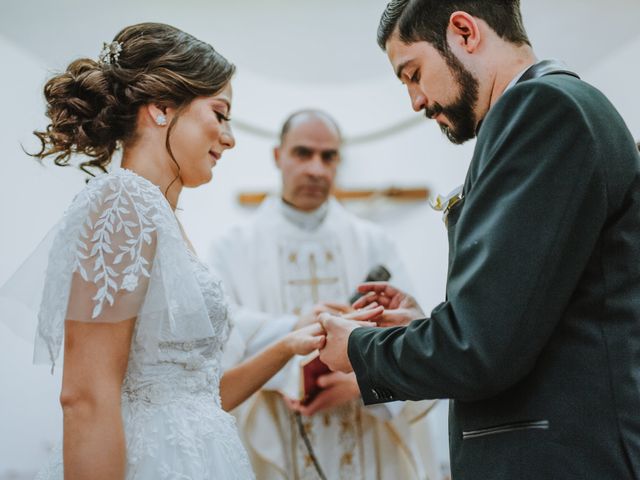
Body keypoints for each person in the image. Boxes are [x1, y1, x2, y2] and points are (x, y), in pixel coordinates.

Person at [318, 1, 640, 479]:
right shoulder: (546, 110)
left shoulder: (542, 110)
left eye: (413, 73)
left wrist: (360, 349)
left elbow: (480, 352)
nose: (416, 101)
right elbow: (517, 323)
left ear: (465, 32)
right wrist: (424, 327)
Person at [0, 23, 326, 480]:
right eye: (220, 113)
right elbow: (86, 395)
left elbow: (194, 399)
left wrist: (288, 346)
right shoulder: (123, 204)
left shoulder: (162, 218)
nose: (229, 137)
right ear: (161, 108)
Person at [209, 110, 437, 480]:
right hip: (277, 434)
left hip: (363, 432)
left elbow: (415, 340)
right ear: (277, 156)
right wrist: (294, 332)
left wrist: (362, 383)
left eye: (328, 156)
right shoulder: (231, 250)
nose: (316, 168)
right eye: (303, 153)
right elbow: (219, 341)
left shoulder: (374, 244)